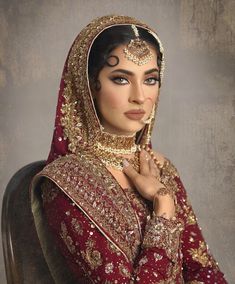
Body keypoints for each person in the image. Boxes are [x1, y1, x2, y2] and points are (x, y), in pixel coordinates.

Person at [31, 15, 227, 283]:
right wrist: (164, 207)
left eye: (150, 79)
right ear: (89, 86)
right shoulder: (67, 183)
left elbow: (204, 271)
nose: (139, 96)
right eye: (121, 79)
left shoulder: (160, 166)